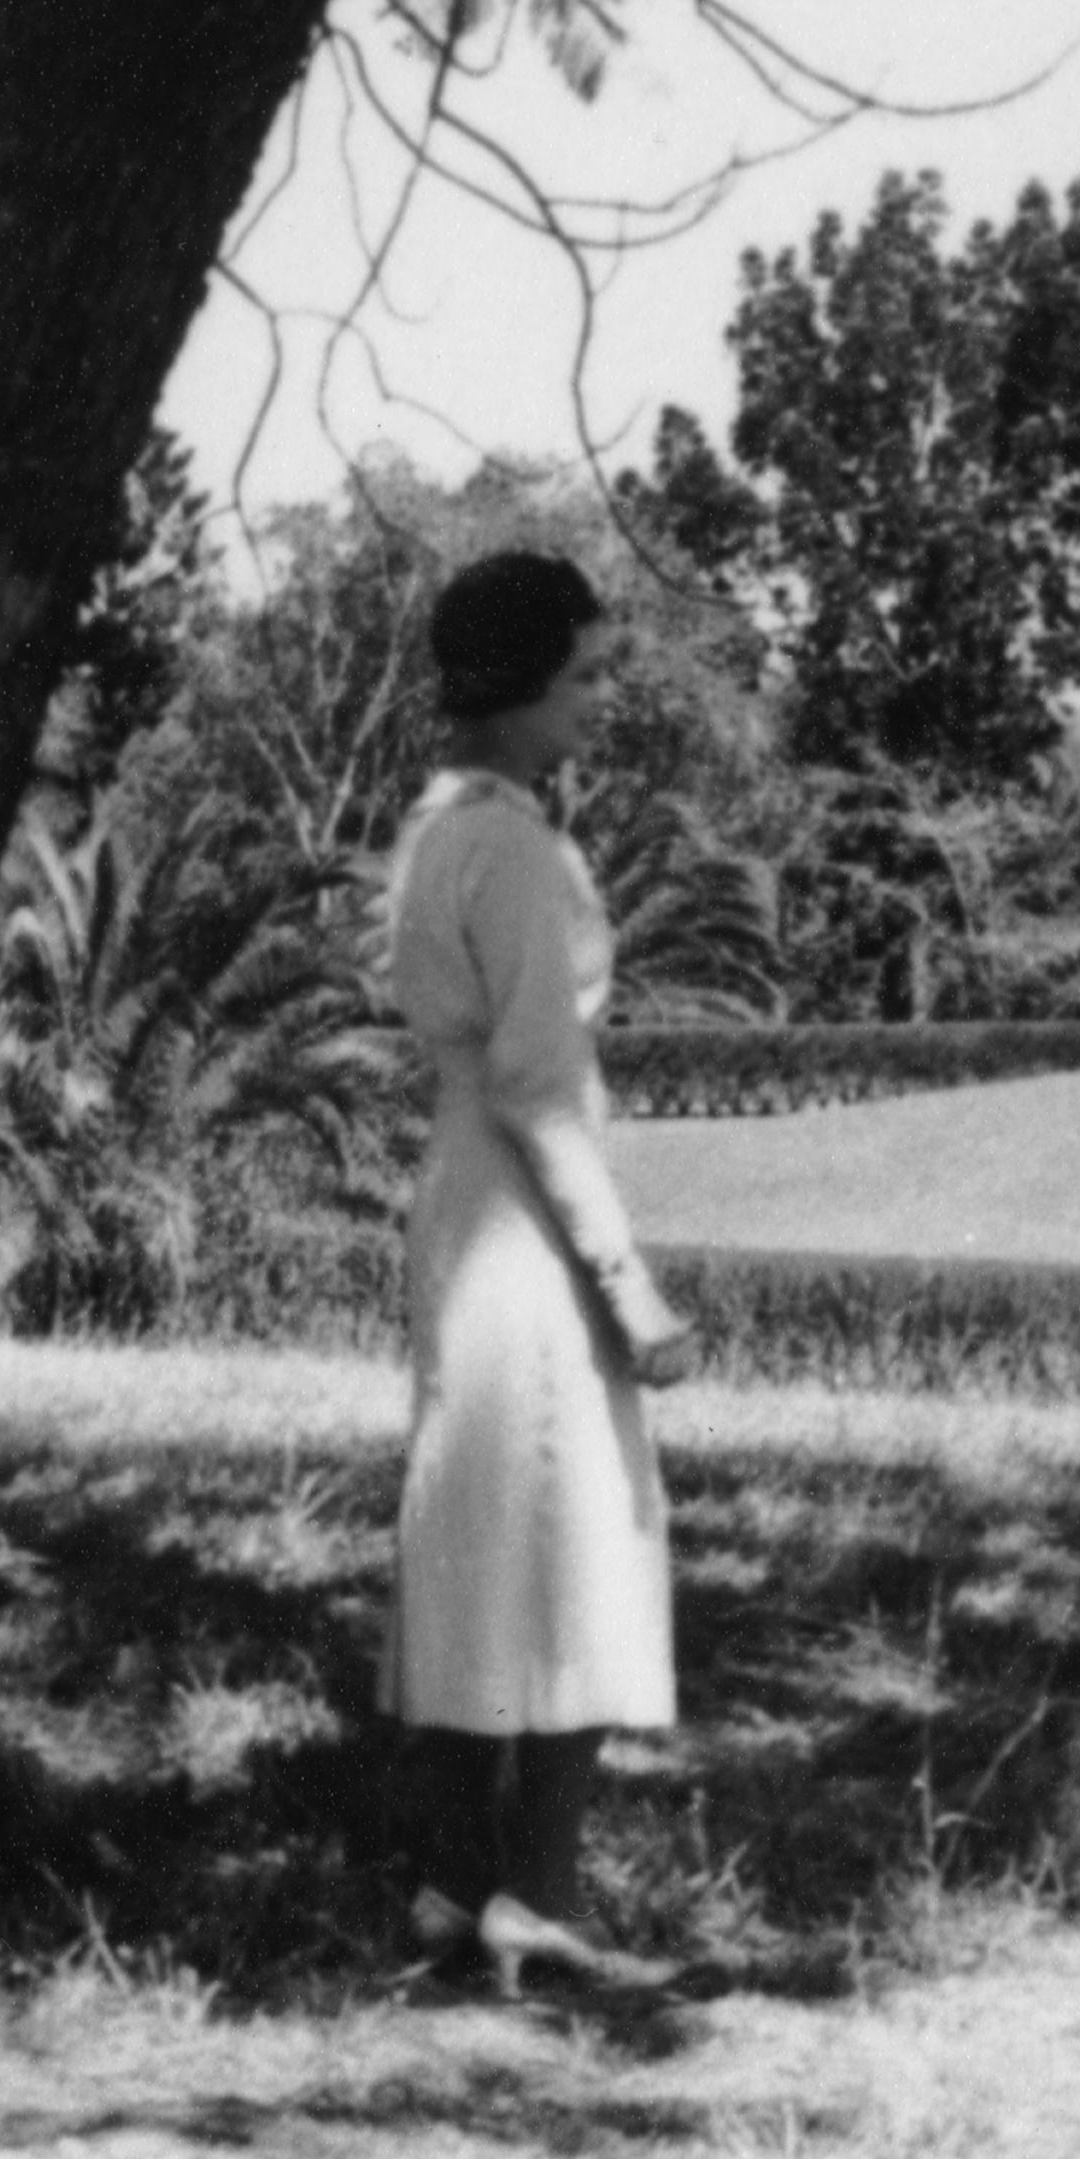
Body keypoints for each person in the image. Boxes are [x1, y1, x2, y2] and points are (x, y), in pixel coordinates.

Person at [383, 547, 695, 1998]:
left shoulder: (437, 830)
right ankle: (537, 1891)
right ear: (512, 690)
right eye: (581, 675)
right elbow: (536, 1076)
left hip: (459, 1212)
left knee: (469, 1523)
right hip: (521, 1218)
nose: (597, 701)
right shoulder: (511, 847)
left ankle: (458, 1876)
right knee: (578, 1532)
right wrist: (628, 1283)